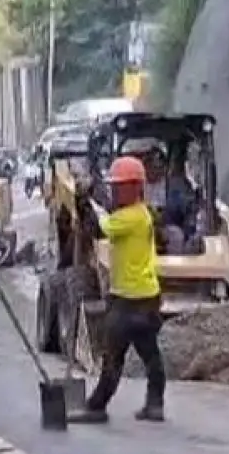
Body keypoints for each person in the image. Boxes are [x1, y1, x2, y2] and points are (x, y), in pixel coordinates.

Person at [68, 156, 166, 424]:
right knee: (150, 354)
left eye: (117, 186)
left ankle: (97, 406)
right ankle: (155, 404)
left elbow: (99, 228)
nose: (114, 191)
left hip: (128, 299)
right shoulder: (142, 213)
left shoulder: (128, 218)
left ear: (131, 188)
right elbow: (104, 217)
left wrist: (84, 202)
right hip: (148, 298)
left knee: (113, 357)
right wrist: (90, 202)